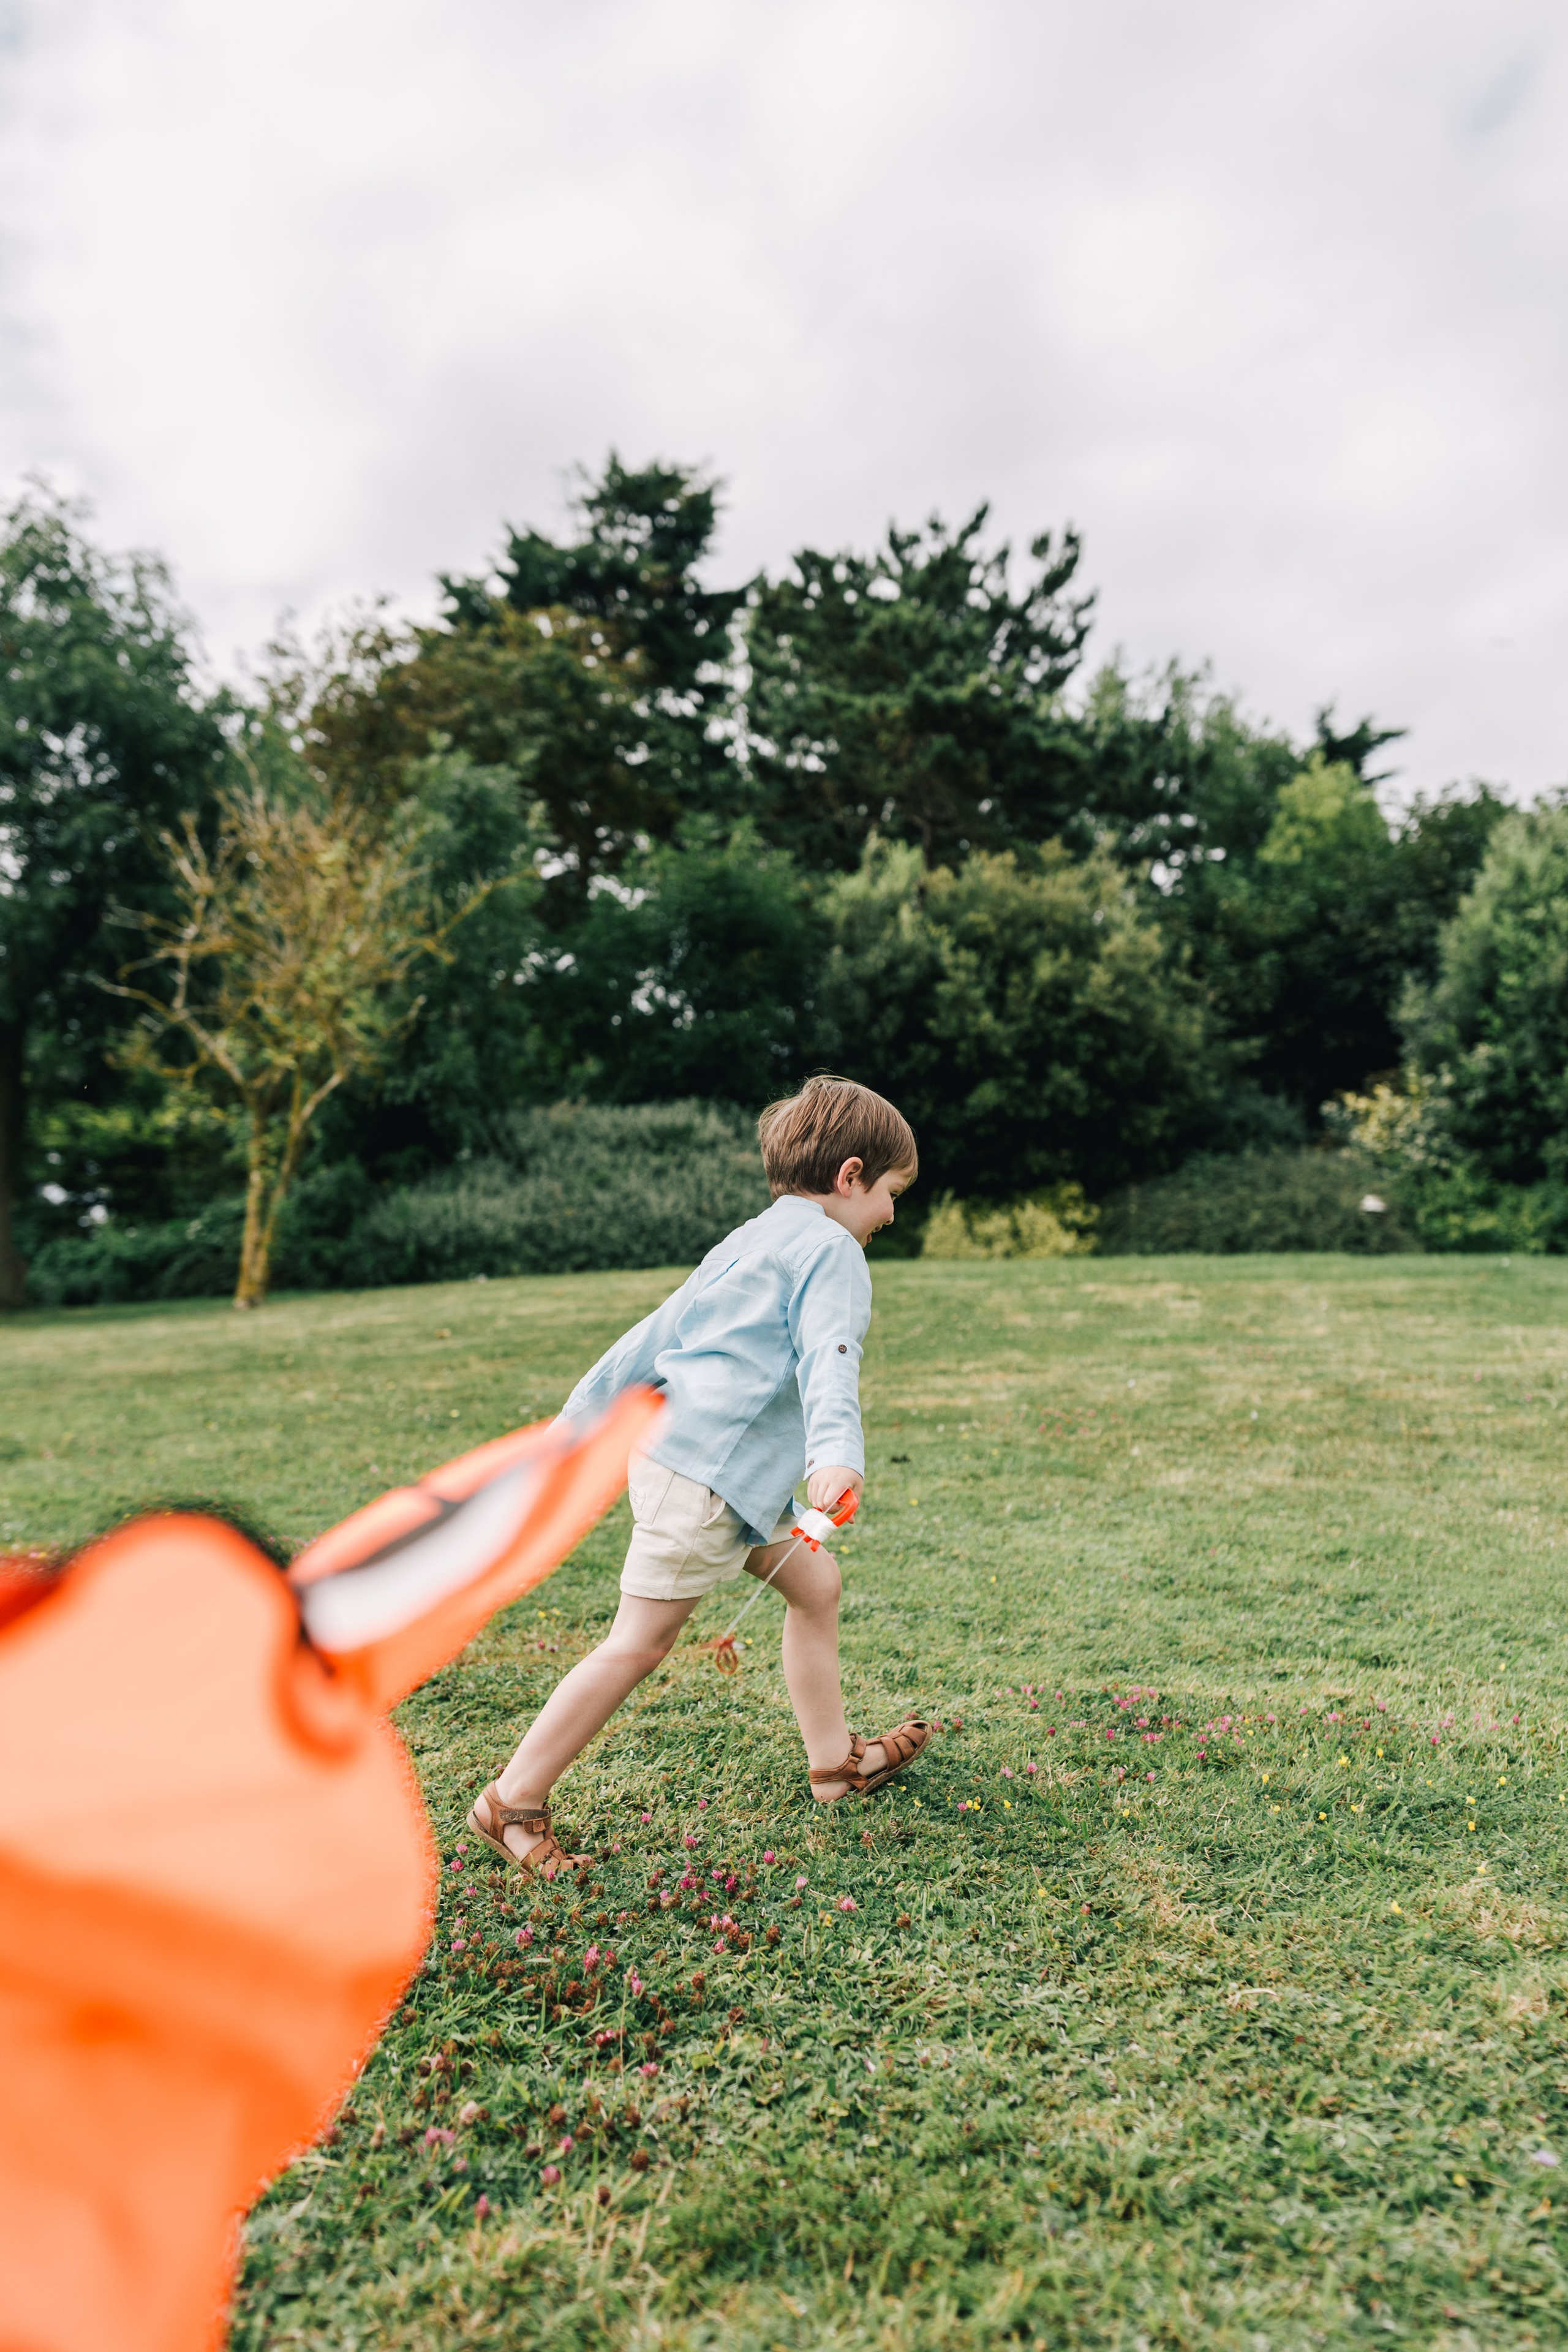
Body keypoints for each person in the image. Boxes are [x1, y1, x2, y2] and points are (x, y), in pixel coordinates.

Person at [465, 1075, 930, 1877]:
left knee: (816, 1587)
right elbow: (831, 1354)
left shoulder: (749, 1238)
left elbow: (654, 1335)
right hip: (709, 1482)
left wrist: (574, 1423)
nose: (891, 1215)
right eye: (892, 1193)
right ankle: (512, 1801)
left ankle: (834, 1765)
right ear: (852, 1176)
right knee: (638, 1643)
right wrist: (834, 1454)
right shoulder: (831, 1251)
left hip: (705, 1469)